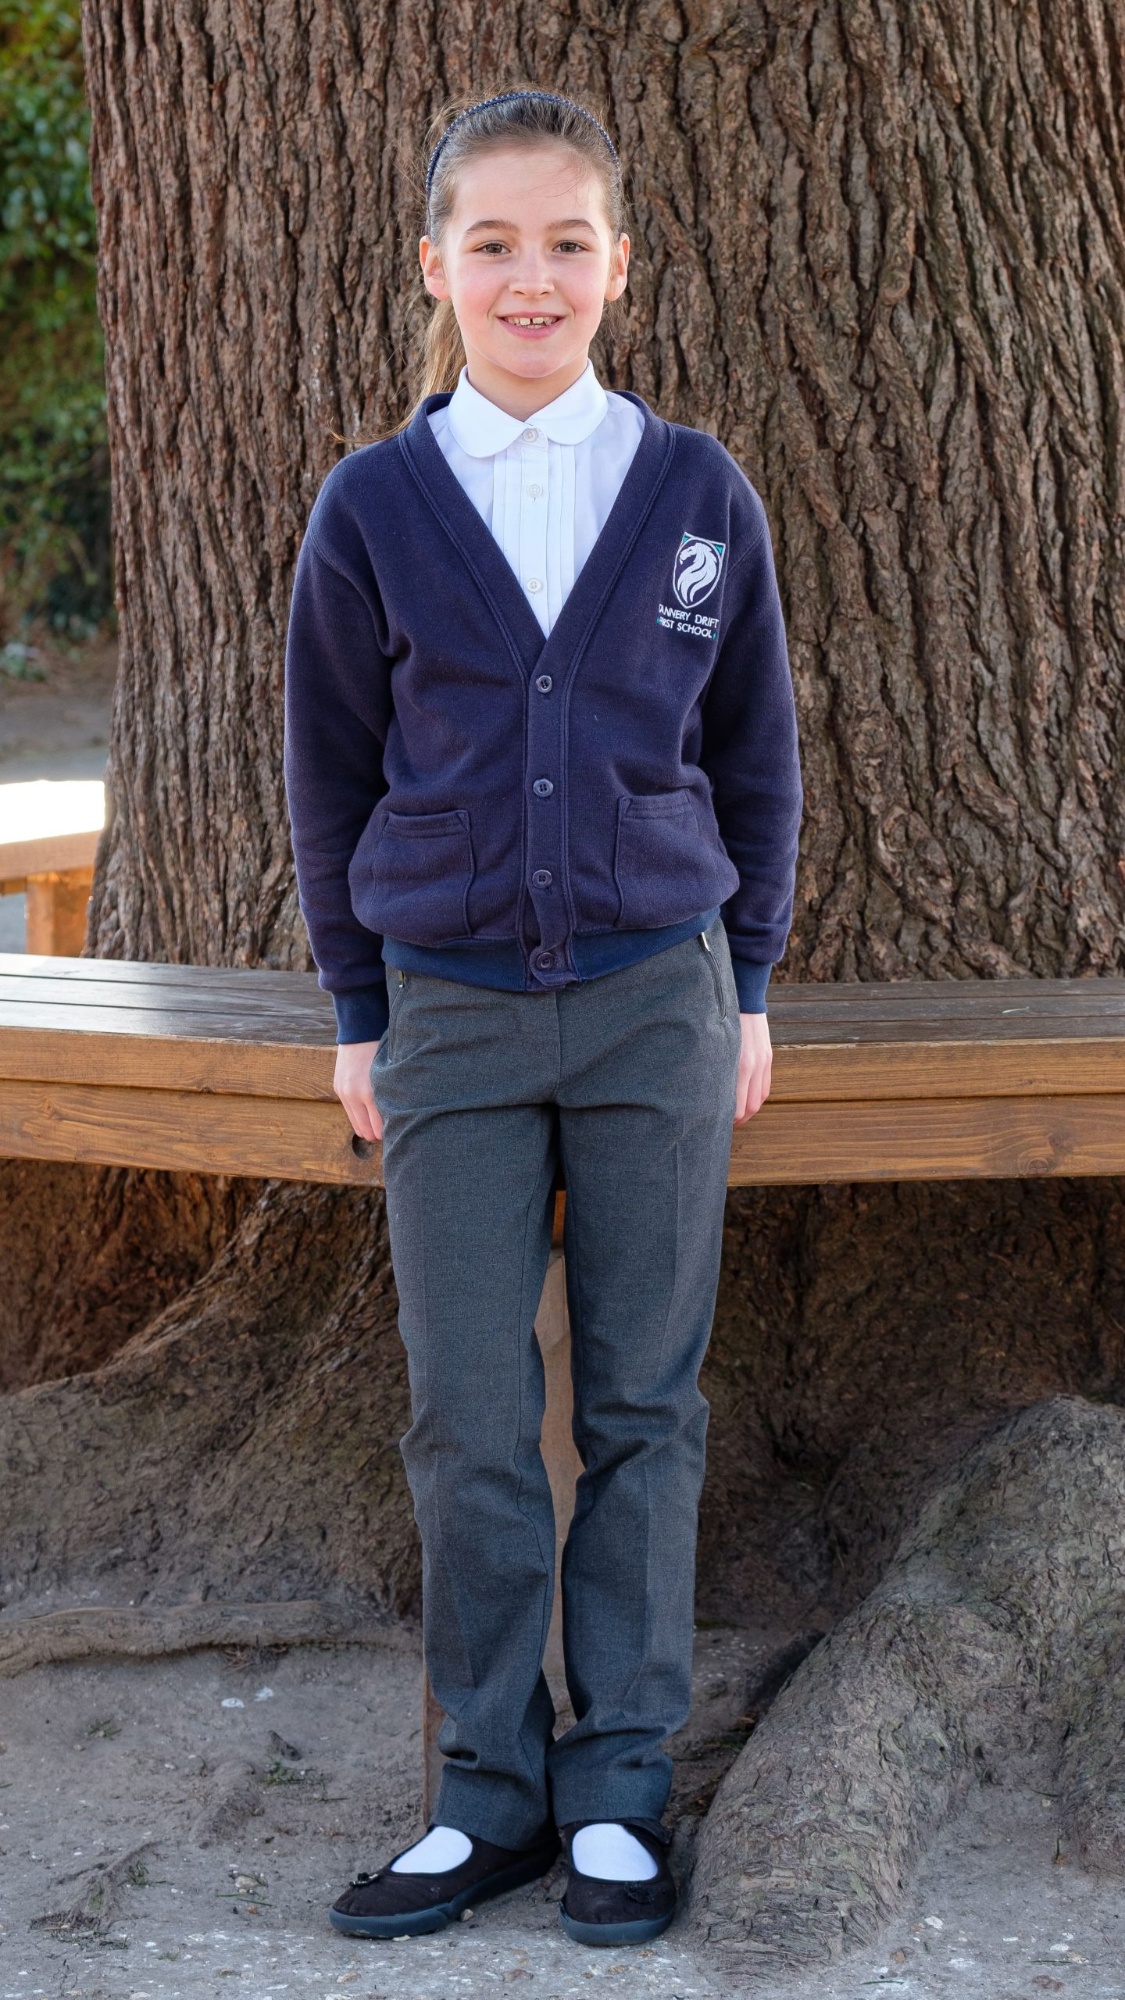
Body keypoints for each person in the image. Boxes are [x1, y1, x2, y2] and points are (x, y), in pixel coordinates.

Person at [283, 86, 802, 1950]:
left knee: (648, 1403)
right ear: (435, 268)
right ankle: (487, 1789)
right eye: (490, 243)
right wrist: (360, 1008)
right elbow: (328, 777)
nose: (529, 277)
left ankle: (621, 1793)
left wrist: (740, 989)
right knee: (468, 1411)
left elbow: (754, 756)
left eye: (564, 240)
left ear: (620, 267)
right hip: (450, 1013)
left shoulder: (692, 492)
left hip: (660, 1002)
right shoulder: (373, 505)